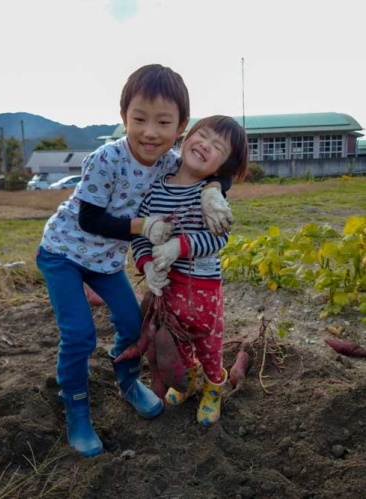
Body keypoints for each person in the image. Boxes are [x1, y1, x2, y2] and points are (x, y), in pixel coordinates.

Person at [36, 64, 234, 458]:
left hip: (105, 262)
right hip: (63, 253)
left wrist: (214, 191)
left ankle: (128, 382)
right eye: (139, 119)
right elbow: (88, 219)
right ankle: (77, 409)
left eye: (164, 122)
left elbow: (212, 169)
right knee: (79, 335)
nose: (150, 132)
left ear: (181, 126)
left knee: (131, 323)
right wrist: (143, 226)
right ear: (123, 115)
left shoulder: (170, 161)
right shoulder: (106, 159)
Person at [131, 115, 249, 426]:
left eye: (217, 147)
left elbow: (219, 237)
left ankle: (213, 386)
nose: (205, 146)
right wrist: (146, 265)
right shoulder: (154, 190)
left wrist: (179, 247)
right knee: (176, 339)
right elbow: (141, 235)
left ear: (221, 168)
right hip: (167, 287)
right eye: (203, 135)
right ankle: (191, 377)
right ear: (187, 136)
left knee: (208, 342)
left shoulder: (211, 197)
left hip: (203, 288)